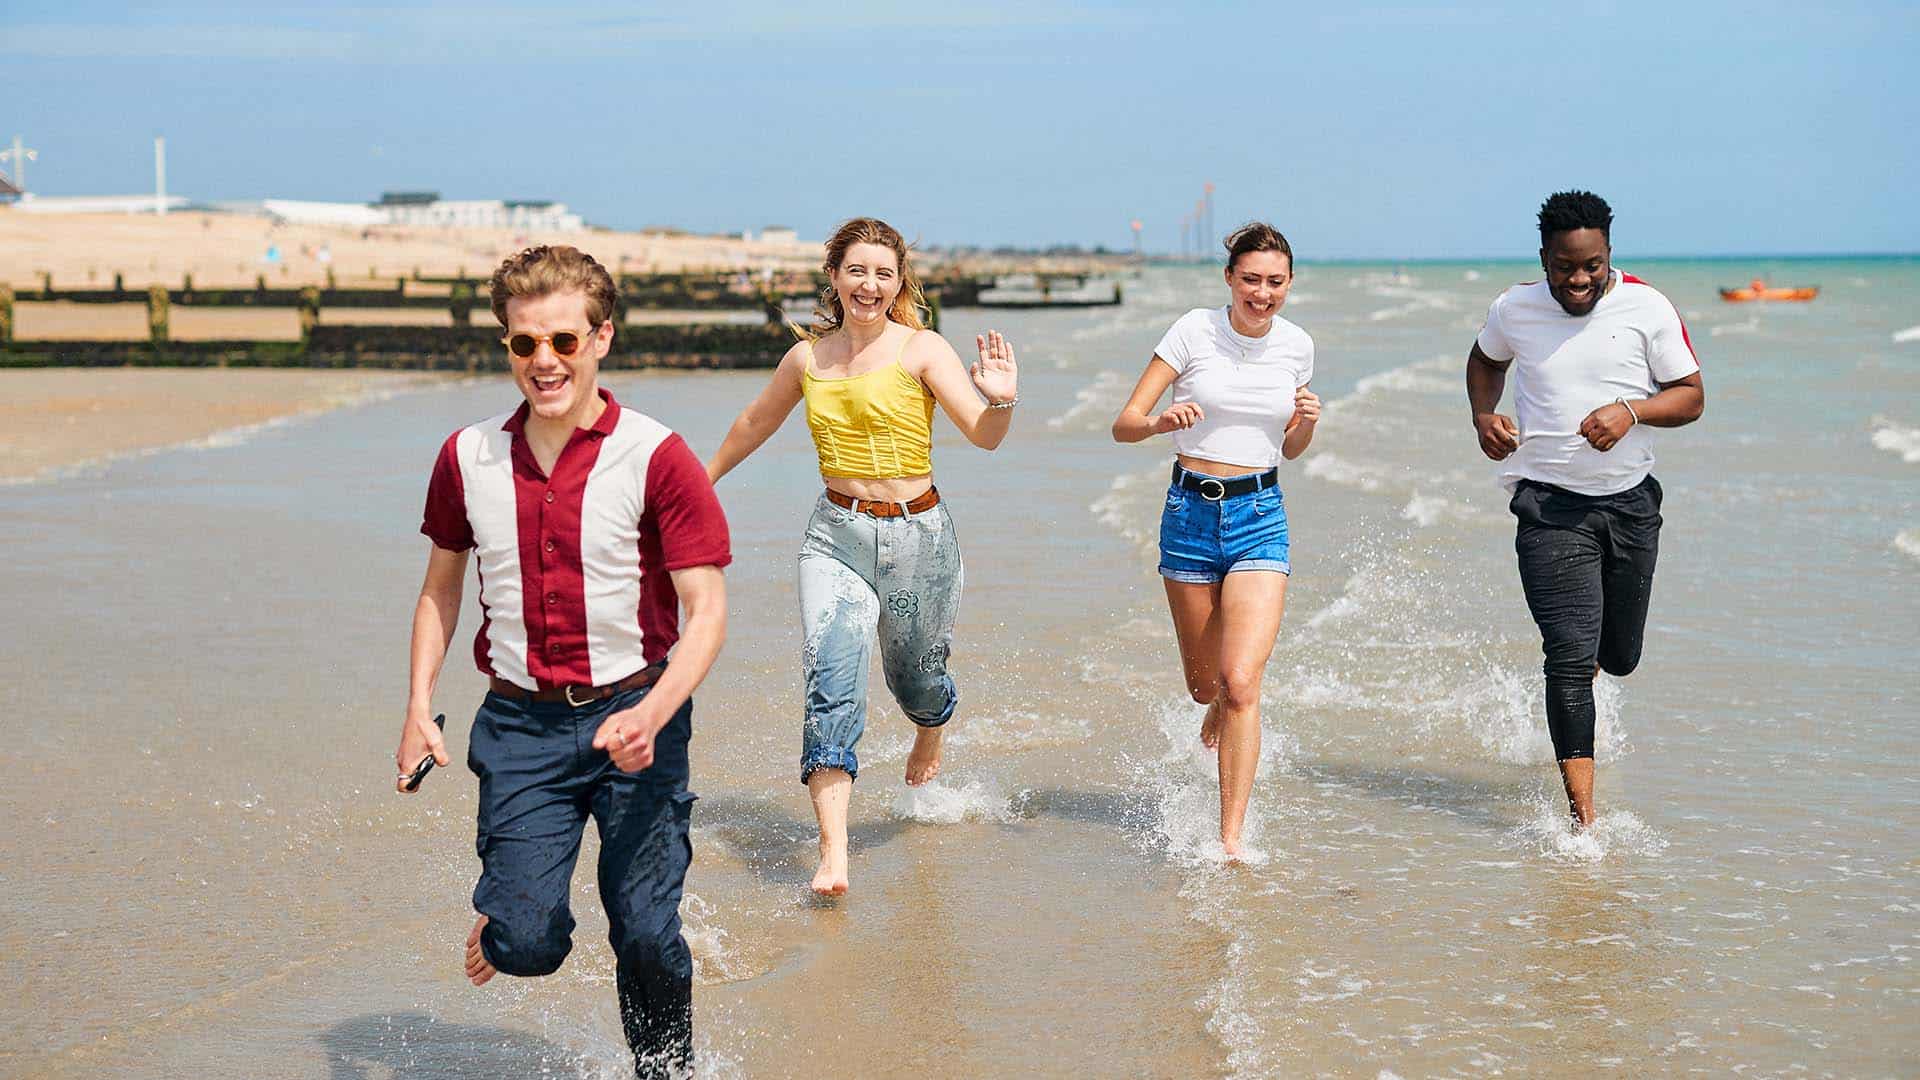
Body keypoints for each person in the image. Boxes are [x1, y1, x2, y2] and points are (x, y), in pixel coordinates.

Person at [395, 245, 730, 1077]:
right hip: (519, 726)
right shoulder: (467, 456)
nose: (544, 361)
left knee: (645, 929)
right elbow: (438, 591)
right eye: (524, 344)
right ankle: (505, 914)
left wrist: (653, 714)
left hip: (638, 712)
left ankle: (667, 1074)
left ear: (602, 338)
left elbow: (708, 611)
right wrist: (416, 707)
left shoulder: (657, 455)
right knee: (528, 947)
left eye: (564, 341)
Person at [705, 217, 1017, 896]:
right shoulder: (807, 360)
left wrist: (1002, 400)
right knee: (831, 675)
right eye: (856, 271)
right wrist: (700, 484)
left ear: (899, 282)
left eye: (883, 272)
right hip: (834, 538)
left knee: (917, 681)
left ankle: (931, 726)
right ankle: (835, 852)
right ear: (835, 278)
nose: (869, 284)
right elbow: (754, 422)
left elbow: (985, 435)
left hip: (918, 540)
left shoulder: (922, 350)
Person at [1465, 190, 1705, 829]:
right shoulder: (1514, 308)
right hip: (1548, 508)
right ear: (1543, 258)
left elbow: (1690, 396)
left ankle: (1593, 669)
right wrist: (1484, 416)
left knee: (1617, 656)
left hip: (1629, 506)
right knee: (1568, 657)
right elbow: (1485, 361)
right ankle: (1584, 822)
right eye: (1566, 267)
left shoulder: (1646, 306)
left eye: (1592, 266)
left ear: (1609, 257)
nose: (1579, 280)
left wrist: (1631, 411)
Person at [1111, 222, 1320, 860]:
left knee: (1241, 681)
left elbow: (1289, 447)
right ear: (1229, 278)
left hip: (1261, 513)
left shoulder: (1298, 346)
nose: (1263, 294)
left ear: (1289, 284)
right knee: (1206, 686)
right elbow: (1124, 424)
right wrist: (1160, 422)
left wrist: (1308, 424)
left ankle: (1230, 838)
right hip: (1190, 515)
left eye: (1275, 282)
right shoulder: (1192, 331)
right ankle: (1217, 705)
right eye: (1251, 280)